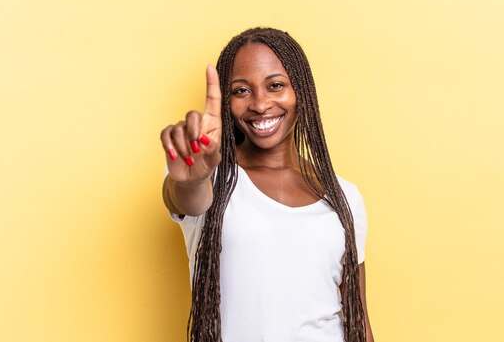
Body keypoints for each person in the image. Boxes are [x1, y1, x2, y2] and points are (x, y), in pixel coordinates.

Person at [160, 27, 374, 342]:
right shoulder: (213, 179)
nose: (260, 104)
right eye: (241, 90)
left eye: (275, 85)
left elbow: (359, 321)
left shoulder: (344, 196)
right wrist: (193, 179)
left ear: (301, 90)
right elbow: (185, 198)